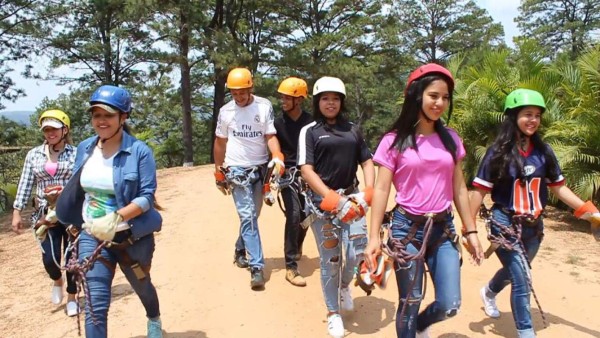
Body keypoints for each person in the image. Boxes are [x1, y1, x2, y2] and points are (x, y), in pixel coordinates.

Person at [364, 64, 484, 338]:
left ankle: (420, 326)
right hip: (407, 230)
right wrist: (373, 238)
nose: (440, 102)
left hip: (443, 230)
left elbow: (459, 188)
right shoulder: (394, 141)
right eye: (433, 95)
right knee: (410, 300)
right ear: (417, 95)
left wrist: (472, 230)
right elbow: (382, 190)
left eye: (445, 97)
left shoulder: (451, 139)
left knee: (450, 304)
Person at [469, 88, 600, 338]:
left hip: (534, 227)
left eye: (537, 115)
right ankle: (526, 332)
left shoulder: (544, 152)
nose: (533, 120)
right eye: (527, 114)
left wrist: (591, 213)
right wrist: (469, 232)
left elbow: (559, 188)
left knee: (515, 271)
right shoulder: (496, 153)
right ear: (513, 116)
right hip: (504, 223)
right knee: (523, 279)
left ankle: (488, 291)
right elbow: (478, 192)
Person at [56, 85, 163, 338]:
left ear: (123, 117)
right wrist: (59, 212)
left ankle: (153, 317)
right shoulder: (85, 149)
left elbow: (147, 197)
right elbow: (79, 186)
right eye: (96, 115)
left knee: (141, 284)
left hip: (131, 238)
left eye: (108, 115)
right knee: (95, 302)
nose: (101, 121)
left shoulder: (139, 152)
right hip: (92, 236)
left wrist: (117, 217)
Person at [298, 76, 375, 338]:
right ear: (318, 102)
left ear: (342, 102)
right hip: (323, 205)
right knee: (330, 259)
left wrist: (367, 193)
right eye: (325, 99)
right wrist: (334, 199)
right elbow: (306, 170)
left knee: (356, 253)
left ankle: (345, 287)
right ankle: (333, 313)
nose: (330, 103)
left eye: (335, 99)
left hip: (353, 200)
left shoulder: (353, 129)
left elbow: (366, 161)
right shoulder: (309, 131)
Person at [213, 67, 285, 290]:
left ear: (250, 87)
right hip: (237, 171)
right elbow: (220, 141)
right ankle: (256, 267)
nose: (238, 97)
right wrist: (218, 170)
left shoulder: (263, 106)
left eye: (242, 92)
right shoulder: (226, 112)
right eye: (234, 93)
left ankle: (239, 248)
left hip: (260, 169)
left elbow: (269, 136)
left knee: (253, 215)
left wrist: (277, 155)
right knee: (248, 217)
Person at [12, 109, 79, 316]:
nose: (50, 133)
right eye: (47, 129)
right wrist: (16, 211)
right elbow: (25, 183)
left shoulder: (76, 153)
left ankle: (72, 295)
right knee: (49, 259)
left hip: (69, 213)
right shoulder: (34, 155)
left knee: (72, 257)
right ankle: (56, 280)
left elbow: (81, 182)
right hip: (44, 214)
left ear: (64, 130)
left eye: (54, 129)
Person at [274, 76, 313, 287]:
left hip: (307, 173)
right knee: (294, 213)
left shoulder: (311, 123)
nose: (283, 101)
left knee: (308, 215)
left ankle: (297, 245)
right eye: (282, 97)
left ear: (298, 100)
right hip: (287, 174)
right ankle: (290, 266)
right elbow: (271, 148)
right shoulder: (278, 124)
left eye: (287, 98)